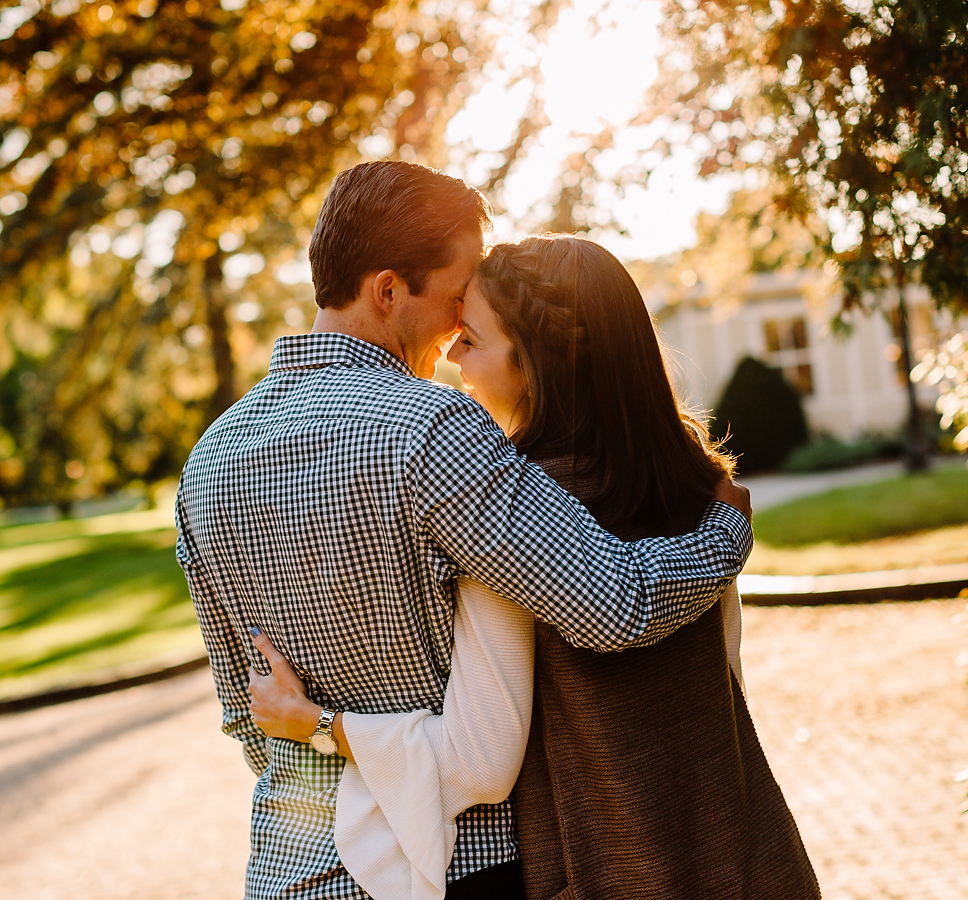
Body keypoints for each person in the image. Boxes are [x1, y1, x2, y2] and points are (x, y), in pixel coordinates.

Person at [175, 162, 754, 900]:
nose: (459, 328)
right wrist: (726, 533)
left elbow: (248, 718)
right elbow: (618, 607)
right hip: (461, 868)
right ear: (388, 291)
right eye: (455, 298)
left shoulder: (208, 462)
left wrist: (324, 737)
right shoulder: (432, 429)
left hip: (294, 874)